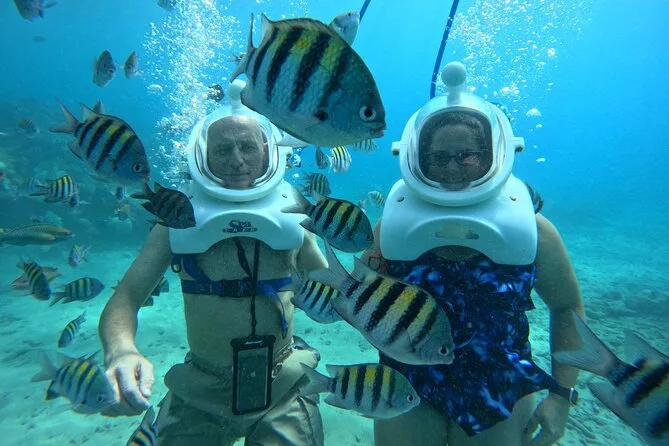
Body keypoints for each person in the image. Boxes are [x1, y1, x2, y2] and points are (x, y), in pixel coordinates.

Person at [361, 62, 585, 446]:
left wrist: (561, 396)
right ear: (416, 157)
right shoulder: (390, 229)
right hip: (408, 382)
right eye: (439, 157)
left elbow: (567, 308)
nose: (453, 169)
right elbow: (359, 299)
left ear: (494, 153)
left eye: (468, 155)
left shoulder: (533, 229)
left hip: (501, 388)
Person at [99, 79, 327, 446]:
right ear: (202, 156)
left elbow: (335, 292)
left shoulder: (294, 216)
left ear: (268, 152)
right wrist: (121, 351)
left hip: (284, 381)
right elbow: (125, 299)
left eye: (247, 147)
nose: (237, 159)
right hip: (200, 386)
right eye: (223, 149)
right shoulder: (176, 221)